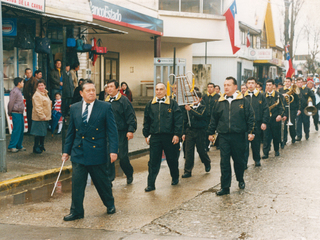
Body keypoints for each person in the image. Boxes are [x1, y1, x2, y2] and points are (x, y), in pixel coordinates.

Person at [62, 79, 118, 221]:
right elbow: (70, 132)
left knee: (102, 182)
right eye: (88, 90)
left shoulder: (104, 107)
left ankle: (109, 204)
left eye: (93, 90)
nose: (92, 92)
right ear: (81, 93)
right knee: (77, 184)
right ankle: (76, 211)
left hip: (97, 151)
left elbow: (112, 131)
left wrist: (113, 150)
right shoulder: (74, 108)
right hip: (78, 152)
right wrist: (66, 151)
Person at [207, 77, 255, 196]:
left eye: (229, 85)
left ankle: (240, 179)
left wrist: (251, 131)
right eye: (225, 85)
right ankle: (225, 186)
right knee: (224, 162)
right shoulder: (219, 102)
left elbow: (250, 117)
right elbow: (214, 119)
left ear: (235, 87)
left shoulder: (243, 101)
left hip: (238, 136)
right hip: (224, 136)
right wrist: (210, 132)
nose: (226, 87)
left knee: (239, 161)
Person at [143, 83, 182, 192]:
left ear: (165, 91)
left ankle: (175, 177)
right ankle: (151, 184)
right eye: (157, 89)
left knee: (172, 159)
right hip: (155, 137)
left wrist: (177, 134)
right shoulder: (150, 105)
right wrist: (146, 134)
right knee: (153, 161)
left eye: (161, 89)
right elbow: (147, 121)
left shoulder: (173, 104)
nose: (159, 91)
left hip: (169, 137)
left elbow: (178, 120)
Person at [105, 79, 137, 184]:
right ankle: (109, 179)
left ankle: (129, 173)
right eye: (107, 87)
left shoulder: (124, 100)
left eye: (111, 86)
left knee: (122, 156)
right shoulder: (105, 101)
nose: (109, 89)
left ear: (117, 88)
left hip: (121, 132)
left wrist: (130, 130)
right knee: (109, 156)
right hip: (108, 133)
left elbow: (130, 116)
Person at [181, 91, 211, 178]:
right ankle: (188, 170)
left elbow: (200, 115)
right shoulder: (188, 108)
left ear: (200, 99)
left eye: (196, 98)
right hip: (190, 131)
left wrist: (191, 110)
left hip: (200, 131)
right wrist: (183, 133)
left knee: (201, 150)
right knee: (189, 151)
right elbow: (185, 121)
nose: (194, 100)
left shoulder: (203, 107)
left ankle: (206, 162)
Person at [244, 77, 269, 167]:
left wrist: (264, 122)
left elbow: (266, 109)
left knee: (256, 143)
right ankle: (244, 162)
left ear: (255, 85)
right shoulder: (243, 96)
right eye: (249, 83)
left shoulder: (261, 96)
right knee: (245, 145)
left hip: (257, 123)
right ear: (246, 84)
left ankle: (257, 159)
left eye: (252, 83)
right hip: (245, 124)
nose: (250, 84)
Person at [262, 79, 286, 158]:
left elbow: (282, 107)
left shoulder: (278, 95)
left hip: (275, 120)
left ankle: (276, 150)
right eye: (267, 85)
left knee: (276, 136)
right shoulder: (263, 95)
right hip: (266, 119)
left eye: (270, 85)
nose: (268, 87)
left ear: (273, 86)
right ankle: (266, 152)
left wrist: (280, 115)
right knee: (266, 137)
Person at [30, 80, 52, 154]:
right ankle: (36, 147)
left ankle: (41, 146)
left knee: (43, 132)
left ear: (45, 86)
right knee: (38, 133)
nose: (40, 87)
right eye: (39, 86)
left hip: (45, 117)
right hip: (39, 117)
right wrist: (42, 115)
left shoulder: (45, 93)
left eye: (42, 85)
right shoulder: (37, 95)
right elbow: (38, 107)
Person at [279, 77, 301, 146]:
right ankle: (284, 139)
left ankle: (293, 137)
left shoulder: (293, 90)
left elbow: (297, 100)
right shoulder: (281, 90)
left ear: (291, 82)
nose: (287, 83)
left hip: (292, 109)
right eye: (286, 81)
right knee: (284, 125)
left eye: (288, 81)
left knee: (292, 125)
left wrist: (298, 109)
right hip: (284, 109)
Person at [7, 77, 26, 153]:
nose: (23, 83)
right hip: (16, 112)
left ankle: (19, 145)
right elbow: (11, 102)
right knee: (17, 129)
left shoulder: (18, 91)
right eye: (22, 82)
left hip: (19, 112)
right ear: (19, 83)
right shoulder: (15, 91)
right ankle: (12, 146)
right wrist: (9, 111)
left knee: (21, 129)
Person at [202, 83, 219, 151]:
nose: (209, 88)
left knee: (216, 130)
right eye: (208, 87)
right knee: (206, 131)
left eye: (211, 87)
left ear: (214, 88)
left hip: (215, 117)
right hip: (206, 117)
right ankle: (206, 146)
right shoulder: (205, 97)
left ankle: (217, 144)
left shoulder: (217, 97)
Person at [23, 68, 37, 134]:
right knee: (28, 115)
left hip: (31, 100)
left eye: (30, 72)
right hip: (27, 99)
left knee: (31, 115)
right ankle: (29, 130)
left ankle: (31, 131)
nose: (29, 74)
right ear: (25, 74)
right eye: (27, 73)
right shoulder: (25, 80)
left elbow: (34, 90)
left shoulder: (33, 80)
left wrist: (31, 97)